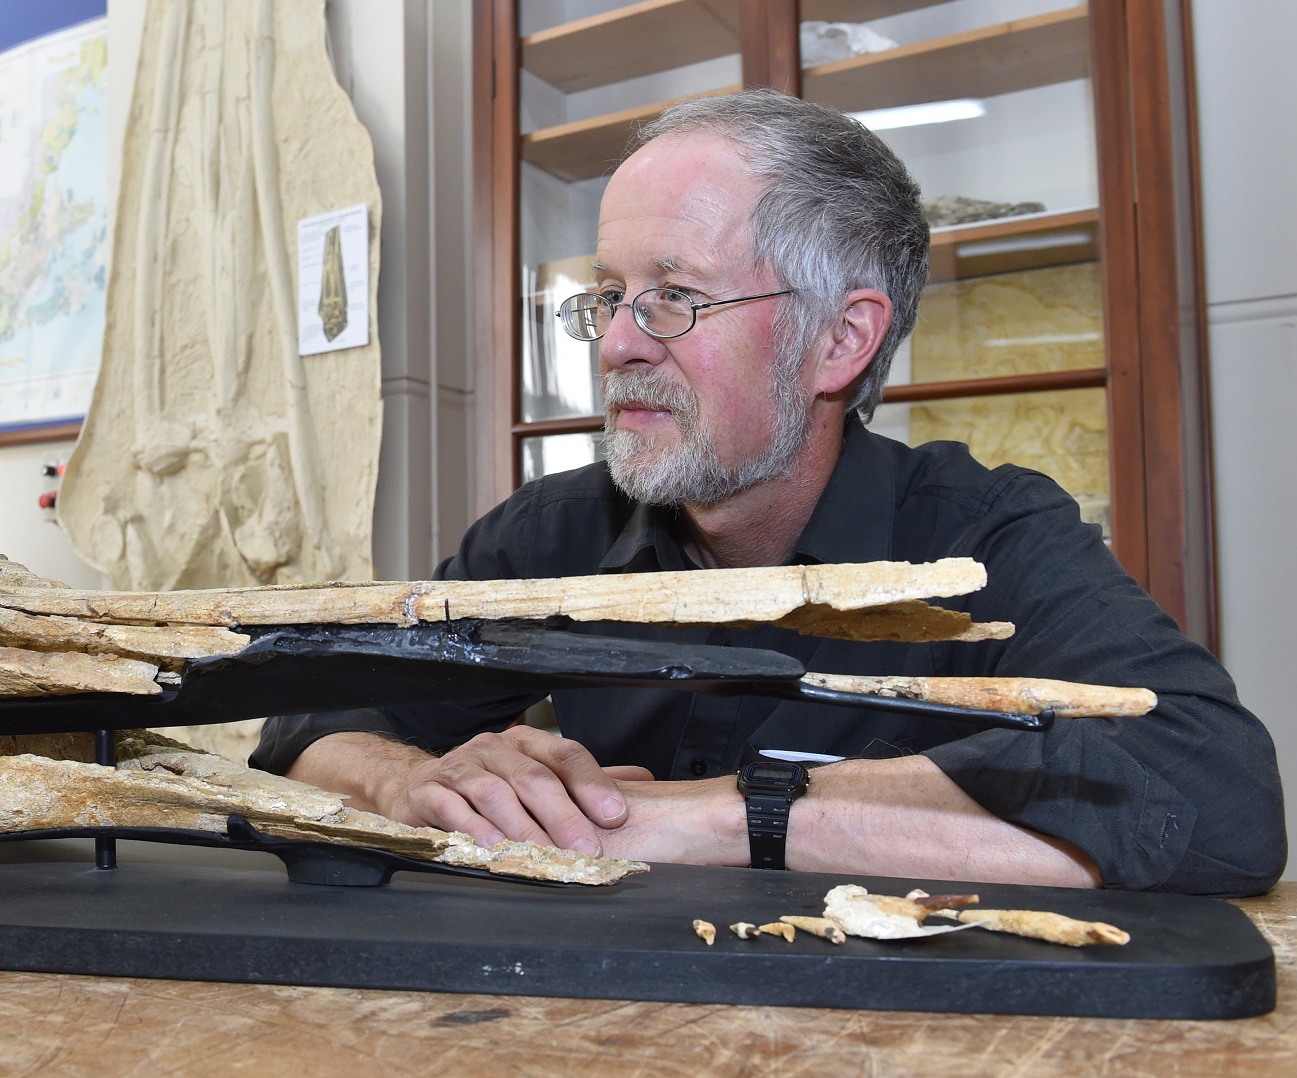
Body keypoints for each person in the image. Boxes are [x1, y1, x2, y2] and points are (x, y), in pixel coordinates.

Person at [251, 89, 1286, 897]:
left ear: (840, 339)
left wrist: (715, 816)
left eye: (672, 296)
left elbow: (1209, 792)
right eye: (608, 295)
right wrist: (402, 778)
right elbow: (304, 724)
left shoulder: (984, 536)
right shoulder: (550, 534)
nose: (613, 344)